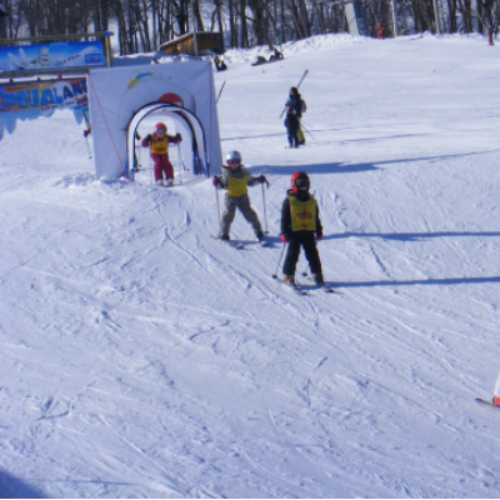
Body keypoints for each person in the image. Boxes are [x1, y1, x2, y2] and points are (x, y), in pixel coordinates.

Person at [213, 150, 268, 242]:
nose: (235, 164)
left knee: (250, 214)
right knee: (228, 215)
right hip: (231, 197)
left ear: (240, 162)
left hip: (243, 197)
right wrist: (216, 183)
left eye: (237, 162)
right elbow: (222, 186)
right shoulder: (227, 174)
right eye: (232, 162)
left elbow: (250, 182)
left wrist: (259, 180)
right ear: (228, 163)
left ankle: (258, 230)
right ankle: (224, 233)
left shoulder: (245, 173)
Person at [280, 171, 324, 286]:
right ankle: (288, 275)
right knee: (293, 254)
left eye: (306, 183)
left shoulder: (311, 201)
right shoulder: (290, 201)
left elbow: (315, 217)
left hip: (308, 231)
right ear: (294, 185)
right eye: (301, 184)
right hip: (294, 232)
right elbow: (285, 218)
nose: (304, 186)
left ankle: (317, 274)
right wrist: (284, 232)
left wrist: (318, 230)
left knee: (313, 254)